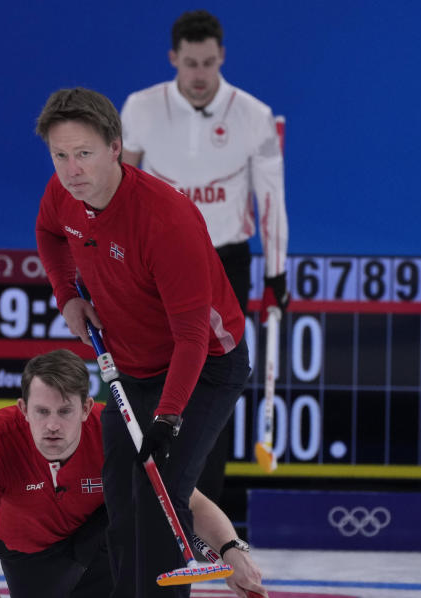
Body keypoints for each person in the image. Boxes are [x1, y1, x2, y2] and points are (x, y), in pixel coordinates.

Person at [34, 87, 251, 598]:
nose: (72, 171)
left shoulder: (166, 217)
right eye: (59, 156)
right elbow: (49, 235)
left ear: (116, 149)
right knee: (122, 501)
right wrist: (68, 296)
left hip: (204, 365)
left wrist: (170, 420)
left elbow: (191, 337)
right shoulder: (64, 195)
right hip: (130, 364)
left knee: (159, 498)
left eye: (83, 154)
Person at [0, 349, 266, 598]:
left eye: (64, 411)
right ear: (23, 409)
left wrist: (232, 549)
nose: (52, 425)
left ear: (87, 408)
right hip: (26, 555)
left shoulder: (113, 431)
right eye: (42, 411)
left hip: (95, 547)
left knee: (138, 513)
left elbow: (186, 501)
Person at [121, 9, 289, 503]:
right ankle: (139, 502)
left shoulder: (254, 116)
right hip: (157, 261)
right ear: (174, 58)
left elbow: (272, 201)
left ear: (222, 58)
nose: (199, 76)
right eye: (190, 63)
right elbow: (121, 188)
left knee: (213, 385)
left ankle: (202, 519)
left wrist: (277, 277)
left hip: (223, 262)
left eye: (208, 63)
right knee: (151, 374)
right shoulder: (141, 108)